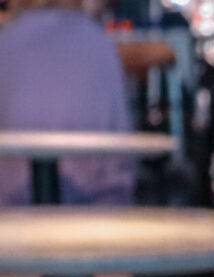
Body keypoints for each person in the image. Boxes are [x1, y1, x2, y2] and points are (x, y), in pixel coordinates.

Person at [0, 0, 134, 205]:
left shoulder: (6, 44)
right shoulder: (100, 46)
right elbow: (120, 163)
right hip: (96, 215)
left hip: (10, 215)